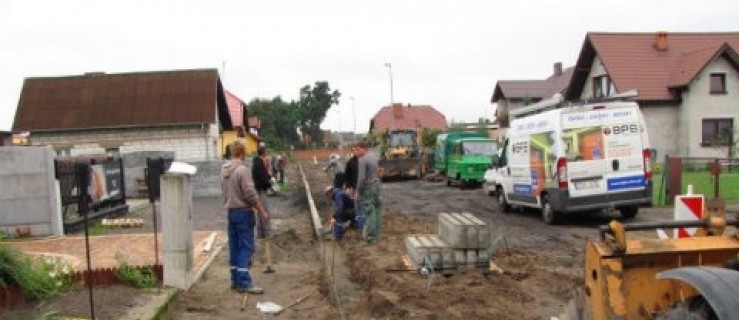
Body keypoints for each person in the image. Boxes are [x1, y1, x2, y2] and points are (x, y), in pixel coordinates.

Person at [221, 141, 269, 294]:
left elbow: (224, 193)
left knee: (234, 246)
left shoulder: (224, 171)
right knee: (246, 247)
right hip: (243, 213)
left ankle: (235, 280)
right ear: (242, 153)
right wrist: (262, 211)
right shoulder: (242, 170)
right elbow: (250, 193)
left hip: (231, 212)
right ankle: (244, 282)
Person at [354, 141, 382, 244]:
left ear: (363, 149)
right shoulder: (373, 157)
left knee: (369, 212)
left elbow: (361, 178)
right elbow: (377, 172)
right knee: (377, 210)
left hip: (369, 188)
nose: (355, 152)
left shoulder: (362, 160)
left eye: (357, 149)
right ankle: (376, 233)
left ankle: (370, 238)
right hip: (377, 186)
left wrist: (358, 191)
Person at [251, 146, 273, 264]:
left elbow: (264, 176)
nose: (267, 157)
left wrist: (268, 176)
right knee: (265, 212)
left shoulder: (257, 164)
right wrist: (270, 183)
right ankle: (267, 234)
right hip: (260, 191)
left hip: (258, 191)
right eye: (266, 155)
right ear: (263, 155)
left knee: (260, 212)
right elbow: (263, 179)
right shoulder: (259, 164)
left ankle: (260, 233)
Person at [343, 146, 363, 229]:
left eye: (357, 150)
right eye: (354, 150)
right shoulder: (351, 162)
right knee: (358, 205)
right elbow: (347, 175)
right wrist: (348, 187)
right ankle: (359, 225)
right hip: (356, 188)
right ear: (352, 151)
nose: (356, 151)